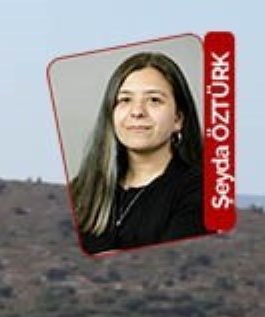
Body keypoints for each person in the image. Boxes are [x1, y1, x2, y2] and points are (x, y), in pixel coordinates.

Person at [68, 51, 206, 254]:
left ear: (178, 119)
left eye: (154, 100)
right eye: (125, 100)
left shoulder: (202, 190)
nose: (137, 111)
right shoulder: (80, 189)